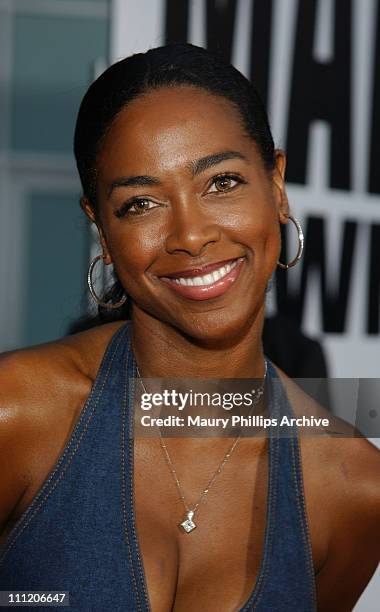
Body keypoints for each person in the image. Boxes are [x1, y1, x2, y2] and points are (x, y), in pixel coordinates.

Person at [0, 43, 379, 612]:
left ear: (276, 185)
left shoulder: (353, 488)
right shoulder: (19, 415)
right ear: (101, 227)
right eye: (141, 204)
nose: (191, 235)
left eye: (221, 183)